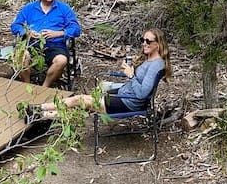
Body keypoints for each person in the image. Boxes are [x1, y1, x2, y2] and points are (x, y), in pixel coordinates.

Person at [27, 28, 172, 120]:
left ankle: (39, 111)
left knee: (79, 100)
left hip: (128, 102)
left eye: (148, 41)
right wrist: (131, 72)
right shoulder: (150, 60)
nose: (144, 43)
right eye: (142, 40)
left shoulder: (156, 65)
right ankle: (40, 113)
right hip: (124, 94)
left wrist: (131, 76)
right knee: (83, 103)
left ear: (157, 44)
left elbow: (142, 94)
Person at [10, 0, 81, 87]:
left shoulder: (64, 8)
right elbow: (15, 26)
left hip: (55, 45)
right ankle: (27, 85)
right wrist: (26, 32)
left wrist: (58, 33)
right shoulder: (29, 8)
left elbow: (76, 29)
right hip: (32, 43)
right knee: (21, 56)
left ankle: (45, 87)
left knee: (61, 61)